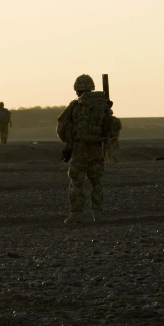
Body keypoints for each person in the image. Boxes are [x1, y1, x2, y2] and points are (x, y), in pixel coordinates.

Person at [56, 74, 114, 224]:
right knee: (96, 182)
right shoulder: (103, 105)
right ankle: (98, 214)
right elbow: (111, 127)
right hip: (96, 149)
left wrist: (69, 144)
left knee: (76, 183)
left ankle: (76, 214)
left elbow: (61, 126)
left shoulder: (75, 106)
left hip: (79, 149)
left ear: (77, 90)